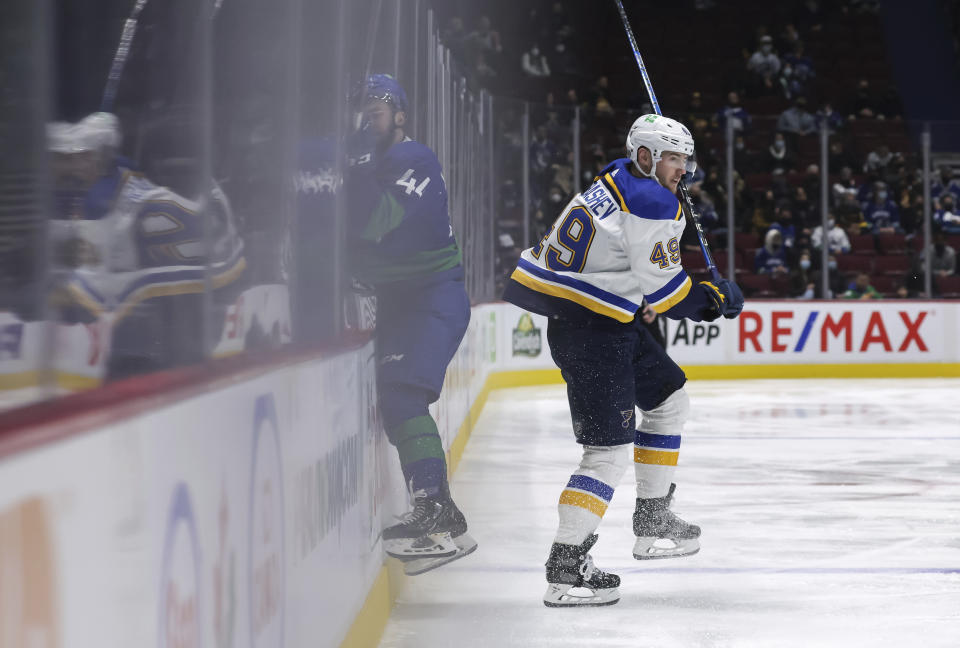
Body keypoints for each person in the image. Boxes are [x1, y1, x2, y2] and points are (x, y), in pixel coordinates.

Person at [502, 114, 744, 607]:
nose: (684, 168)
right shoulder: (652, 198)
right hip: (591, 329)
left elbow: (641, 259)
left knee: (670, 400)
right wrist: (715, 301)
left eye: (685, 158)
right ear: (647, 156)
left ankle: (653, 518)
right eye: (674, 157)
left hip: (605, 319)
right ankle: (566, 571)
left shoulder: (621, 175)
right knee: (607, 453)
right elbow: (667, 293)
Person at [345, 74, 475, 575]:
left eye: (377, 106)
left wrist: (354, 169)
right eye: (361, 106)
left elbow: (375, 223)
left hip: (433, 299)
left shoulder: (413, 158)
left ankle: (434, 510)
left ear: (400, 116)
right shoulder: (365, 161)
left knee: (402, 398)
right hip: (403, 303)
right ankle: (442, 516)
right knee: (397, 404)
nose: (367, 114)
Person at [47, 112, 246, 379]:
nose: (74, 166)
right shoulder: (92, 196)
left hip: (146, 347)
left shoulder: (151, 205)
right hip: (110, 337)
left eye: (83, 156)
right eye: (66, 158)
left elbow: (171, 301)